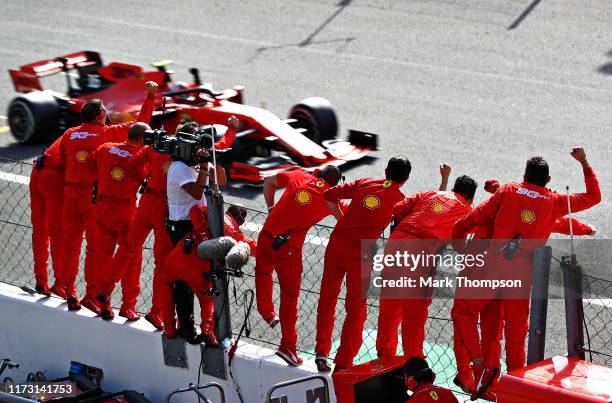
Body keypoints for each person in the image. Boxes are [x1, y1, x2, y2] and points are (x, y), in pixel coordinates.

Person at [451, 148, 600, 400]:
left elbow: (469, 220)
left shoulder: (507, 191)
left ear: (524, 175)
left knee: (468, 314)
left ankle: (480, 368)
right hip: (520, 277)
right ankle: (514, 393)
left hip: (491, 269)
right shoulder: (553, 201)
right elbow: (593, 197)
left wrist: (462, 247)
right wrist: (584, 162)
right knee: (516, 336)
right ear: (549, 181)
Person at [53, 81, 158, 310]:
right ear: (100, 115)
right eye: (104, 109)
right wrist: (150, 95)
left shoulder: (70, 134)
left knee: (69, 244)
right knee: (97, 250)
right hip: (94, 199)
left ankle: (66, 288)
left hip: (70, 194)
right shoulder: (106, 134)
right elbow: (140, 123)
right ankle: (95, 296)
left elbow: (62, 157)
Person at [314, 156, 411, 372]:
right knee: (356, 310)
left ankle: (321, 351)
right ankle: (343, 364)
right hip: (361, 254)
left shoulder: (364, 182)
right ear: (405, 179)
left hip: (337, 244)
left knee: (328, 298)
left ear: (385, 171)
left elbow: (328, 194)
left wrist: (342, 218)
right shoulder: (401, 200)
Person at [376, 170, 478, 360]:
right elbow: (460, 240)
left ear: (454, 188)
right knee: (414, 313)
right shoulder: (466, 210)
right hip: (420, 252)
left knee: (389, 305)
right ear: (471, 198)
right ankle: (414, 365)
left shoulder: (431, 194)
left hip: (396, 243)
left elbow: (399, 207)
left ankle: (384, 355)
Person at [255, 165, 342, 366]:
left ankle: (266, 312)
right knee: (289, 297)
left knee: (262, 273)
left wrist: (271, 209)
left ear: (318, 172)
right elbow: (345, 219)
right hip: (288, 249)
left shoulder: (298, 175)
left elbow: (268, 181)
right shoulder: (331, 198)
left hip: (266, 236)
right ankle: (288, 346)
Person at [165, 118, 236, 342]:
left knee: (207, 275)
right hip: (182, 227)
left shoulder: (199, 160)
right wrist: (205, 166)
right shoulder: (178, 167)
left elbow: (222, 179)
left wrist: (215, 158)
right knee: (186, 280)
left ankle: (209, 326)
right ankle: (187, 326)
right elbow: (196, 193)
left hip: (199, 225)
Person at [160, 204, 255, 345]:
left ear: (227, 210)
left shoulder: (213, 214)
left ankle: (168, 328)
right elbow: (255, 248)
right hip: (198, 269)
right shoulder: (237, 234)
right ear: (241, 222)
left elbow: (194, 209)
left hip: (179, 256)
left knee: (165, 283)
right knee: (208, 300)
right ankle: (207, 330)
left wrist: (204, 234)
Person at [87, 122, 152, 320]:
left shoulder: (105, 148)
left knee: (102, 257)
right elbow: (147, 178)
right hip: (126, 212)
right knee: (131, 259)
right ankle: (128, 305)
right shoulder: (140, 159)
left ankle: (100, 302)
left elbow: (91, 162)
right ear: (142, 139)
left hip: (103, 210)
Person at [30, 136, 65, 297]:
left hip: (38, 169)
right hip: (53, 178)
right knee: (58, 233)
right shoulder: (101, 138)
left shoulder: (71, 131)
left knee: (39, 231)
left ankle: (41, 280)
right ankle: (60, 284)